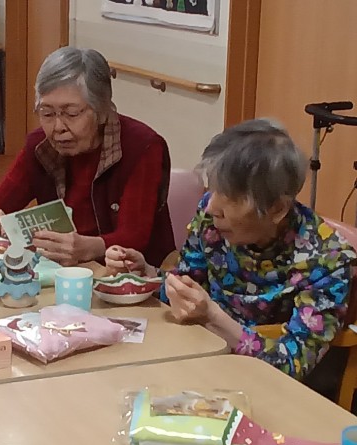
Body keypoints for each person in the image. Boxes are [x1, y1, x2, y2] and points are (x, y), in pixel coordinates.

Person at [106, 119, 356, 381]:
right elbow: (189, 284)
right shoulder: (212, 218)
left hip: (263, 381)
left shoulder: (327, 261)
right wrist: (147, 275)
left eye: (232, 197)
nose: (212, 207)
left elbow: (293, 365)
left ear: (277, 209)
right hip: (201, 353)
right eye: (214, 189)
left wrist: (214, 317)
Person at [0, 46, 175, 267]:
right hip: (63, 272)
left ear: (102, 110)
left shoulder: (142, 146)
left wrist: (86, 248)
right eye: (47, 113)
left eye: (71, 113)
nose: (58, 127)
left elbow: (134, 237)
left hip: (133, 275)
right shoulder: (40, 146)